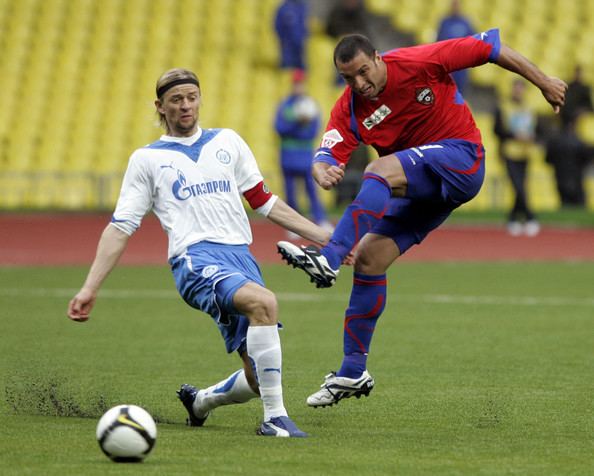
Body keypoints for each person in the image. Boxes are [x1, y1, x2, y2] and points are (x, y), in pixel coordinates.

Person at [277, 31, 567, 408]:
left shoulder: (418, 62)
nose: (359, 84)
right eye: (349, 78)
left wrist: (543, 82)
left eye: (364, 72)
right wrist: (321, 168)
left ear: (378, 58)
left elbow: (490, 48)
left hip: (463, 159)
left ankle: (328, 258)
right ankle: (352, 370)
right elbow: (328, 151)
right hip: (424, 189)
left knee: (379, 169)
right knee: (368, 258)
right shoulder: (349, 107)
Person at [67, 68, 332, 437]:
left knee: (258, 377)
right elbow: (121, 226)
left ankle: (201, 402)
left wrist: (325, 239)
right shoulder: (147, 159)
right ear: (160, 106)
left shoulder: (228, 142)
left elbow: (264, 201)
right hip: (195, 260)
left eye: (192, 97)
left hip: (240, 258)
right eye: (176, 100)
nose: (186, 105)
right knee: (265, 303)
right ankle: (275, 419)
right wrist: (89, 287)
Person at [274, 69, 332, 236]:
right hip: (288, 154)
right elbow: (279, 128)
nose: (298, 87)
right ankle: (294, 226)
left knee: (312, 190)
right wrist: (298, 124)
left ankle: (321, 220)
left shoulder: (311, 105)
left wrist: (296, 128)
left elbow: (313, 131)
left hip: (306, 154)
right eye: (296, 84)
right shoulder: (285, 105)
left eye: (301, 84)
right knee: (290, 191)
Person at [493, 79, 540, 236]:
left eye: (521, 89)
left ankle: (513, 218)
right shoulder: (503, 107)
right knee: (518, 186)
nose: (518, 92)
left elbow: (538, 129)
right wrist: (515, 135)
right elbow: (497, 130)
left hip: (525, 153)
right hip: (509, 152)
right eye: (516, 88)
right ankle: (531, 217)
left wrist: (532, 136)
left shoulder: (529, 108)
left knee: (520, 187)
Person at [436, 0, 475, 94]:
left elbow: (473, 43)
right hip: (446, 65)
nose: (455, 7)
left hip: (461, 66)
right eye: (453, 5)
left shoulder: (466, 23)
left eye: (457, 5)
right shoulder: (444, 22)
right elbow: (438, 43)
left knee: (458, 95)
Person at [274, 0, 308, 71]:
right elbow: (277, 26)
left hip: (302, 46)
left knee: (301, 70)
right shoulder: (284, 8)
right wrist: (283, 39)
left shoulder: (303, 7)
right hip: (288, 47)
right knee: (287, 69)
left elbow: (305, 26)